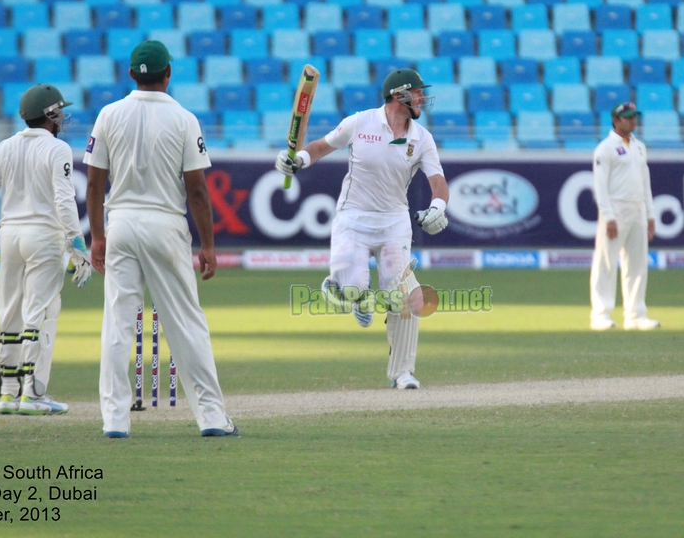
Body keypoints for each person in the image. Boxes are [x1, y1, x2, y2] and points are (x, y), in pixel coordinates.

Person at [84, 40, 236, 438]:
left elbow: (95, 183)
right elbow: (198, 191)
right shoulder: (185, 119)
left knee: (118, 324)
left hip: (121, 223)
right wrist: (208, 246)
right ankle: (213, 419)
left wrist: (97, 237)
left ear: (132, 74)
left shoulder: (109, 114)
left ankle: (116, 421)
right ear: (168, 73)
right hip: (165, 224)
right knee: (185, 323)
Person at [275, 68, 449, 390]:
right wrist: (297, 159)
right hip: (353, 218)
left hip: (394, 222)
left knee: (407, 296)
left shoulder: (422, 138)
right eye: (418, 92)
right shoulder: (360, 122)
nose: (423, 98)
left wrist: (438, 206)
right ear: (399, 95)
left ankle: (403, 373)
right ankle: (351, 292)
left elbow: (438, 183)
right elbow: (320, 147)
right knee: (355, 286)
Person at [0, 84, 92, 416]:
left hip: (10, 235)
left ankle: (7, 393)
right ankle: (33, 395)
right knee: (39, 312)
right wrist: (77, 244)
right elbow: (64, 200)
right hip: (45, 235)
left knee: (9, 312)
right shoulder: (57, 149)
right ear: (50, 115)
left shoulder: (5, 146)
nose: (63, 116)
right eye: (60, 111)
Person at [589, 102, 660, 331]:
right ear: (616, 120)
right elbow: (600, 186)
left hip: (637, 208)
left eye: (634, 117)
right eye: (627, 117)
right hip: (616, 209)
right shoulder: (605, 148)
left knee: (638, 263)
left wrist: (650, 213)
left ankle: (636, 315)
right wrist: (608, 216)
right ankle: (600, 314)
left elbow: (645, 183)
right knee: (606, 262)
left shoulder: (639, 147)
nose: (632, 121)